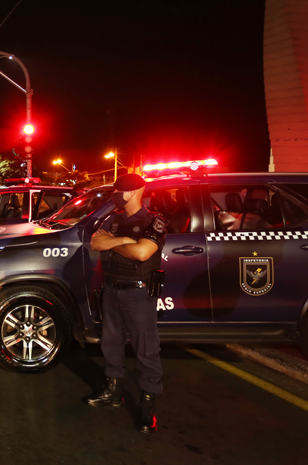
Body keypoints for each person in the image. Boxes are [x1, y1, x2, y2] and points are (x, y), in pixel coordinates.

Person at [85, 173, 167, 434]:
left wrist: (115, 244)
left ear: (131, 193)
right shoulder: (114, 219)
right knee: (111, 343)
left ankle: (147, 403)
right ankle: (113, 391)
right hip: (111, 289)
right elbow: (96, 242)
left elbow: (143, 253)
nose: (115, 195)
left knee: (146, 348)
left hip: (138, 293)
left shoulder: (154, 221)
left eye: (118, 191)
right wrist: (124, 241)